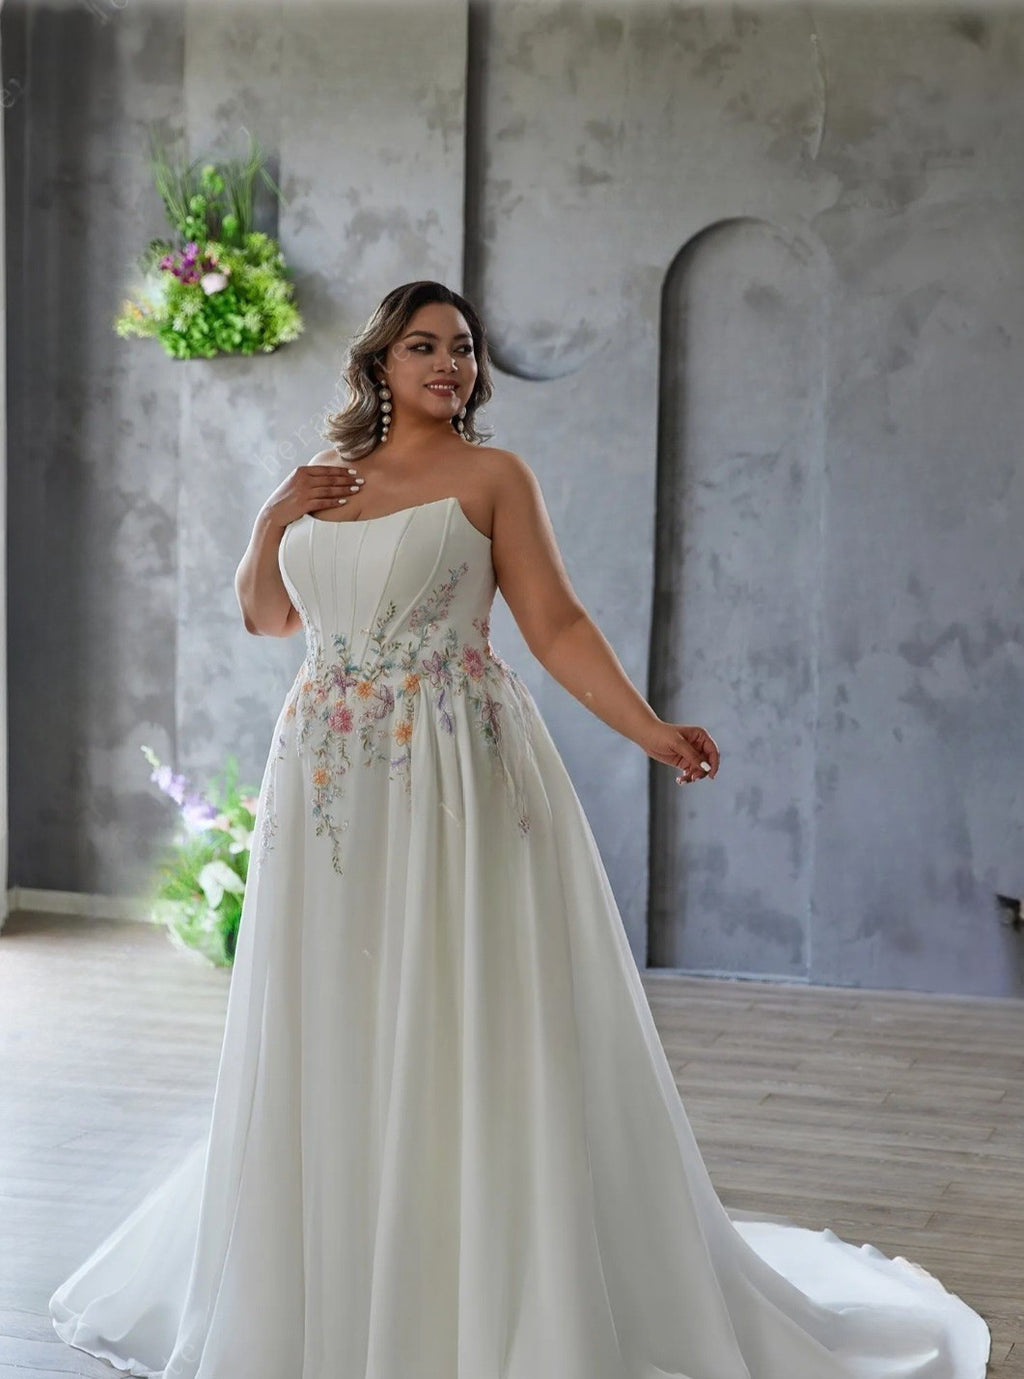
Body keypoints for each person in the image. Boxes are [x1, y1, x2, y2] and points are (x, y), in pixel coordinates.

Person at [49, 281, 990, 1378]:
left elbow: (556, 623)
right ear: (379, 363)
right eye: (422, 345)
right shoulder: (324, 481)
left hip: (453, 764)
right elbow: (269, 616)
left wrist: (649, 728)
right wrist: (271, 515)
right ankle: (335, 1267)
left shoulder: (494, 478)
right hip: (327, 776)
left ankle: (482, 1274)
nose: (448, 362)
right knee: (333, 994)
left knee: (464, 995)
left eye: (462, 347)